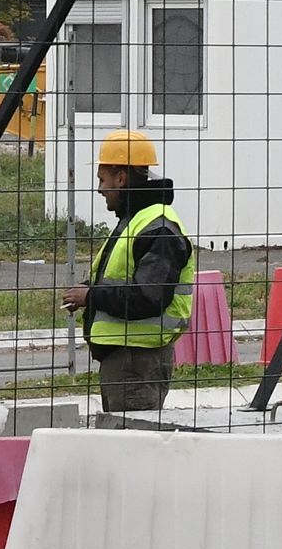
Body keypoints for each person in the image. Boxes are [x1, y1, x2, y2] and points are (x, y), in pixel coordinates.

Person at [61, 130, 191, 417]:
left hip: (136, 360)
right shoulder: (138, 220)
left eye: (102, 180)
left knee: (131, 439)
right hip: (129, 358)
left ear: (120, 178)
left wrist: (92, 296)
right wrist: (87, 291)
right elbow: (127, 278)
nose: (99, 189)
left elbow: (148, 296)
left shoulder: (157, 226)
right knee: (123, 438)